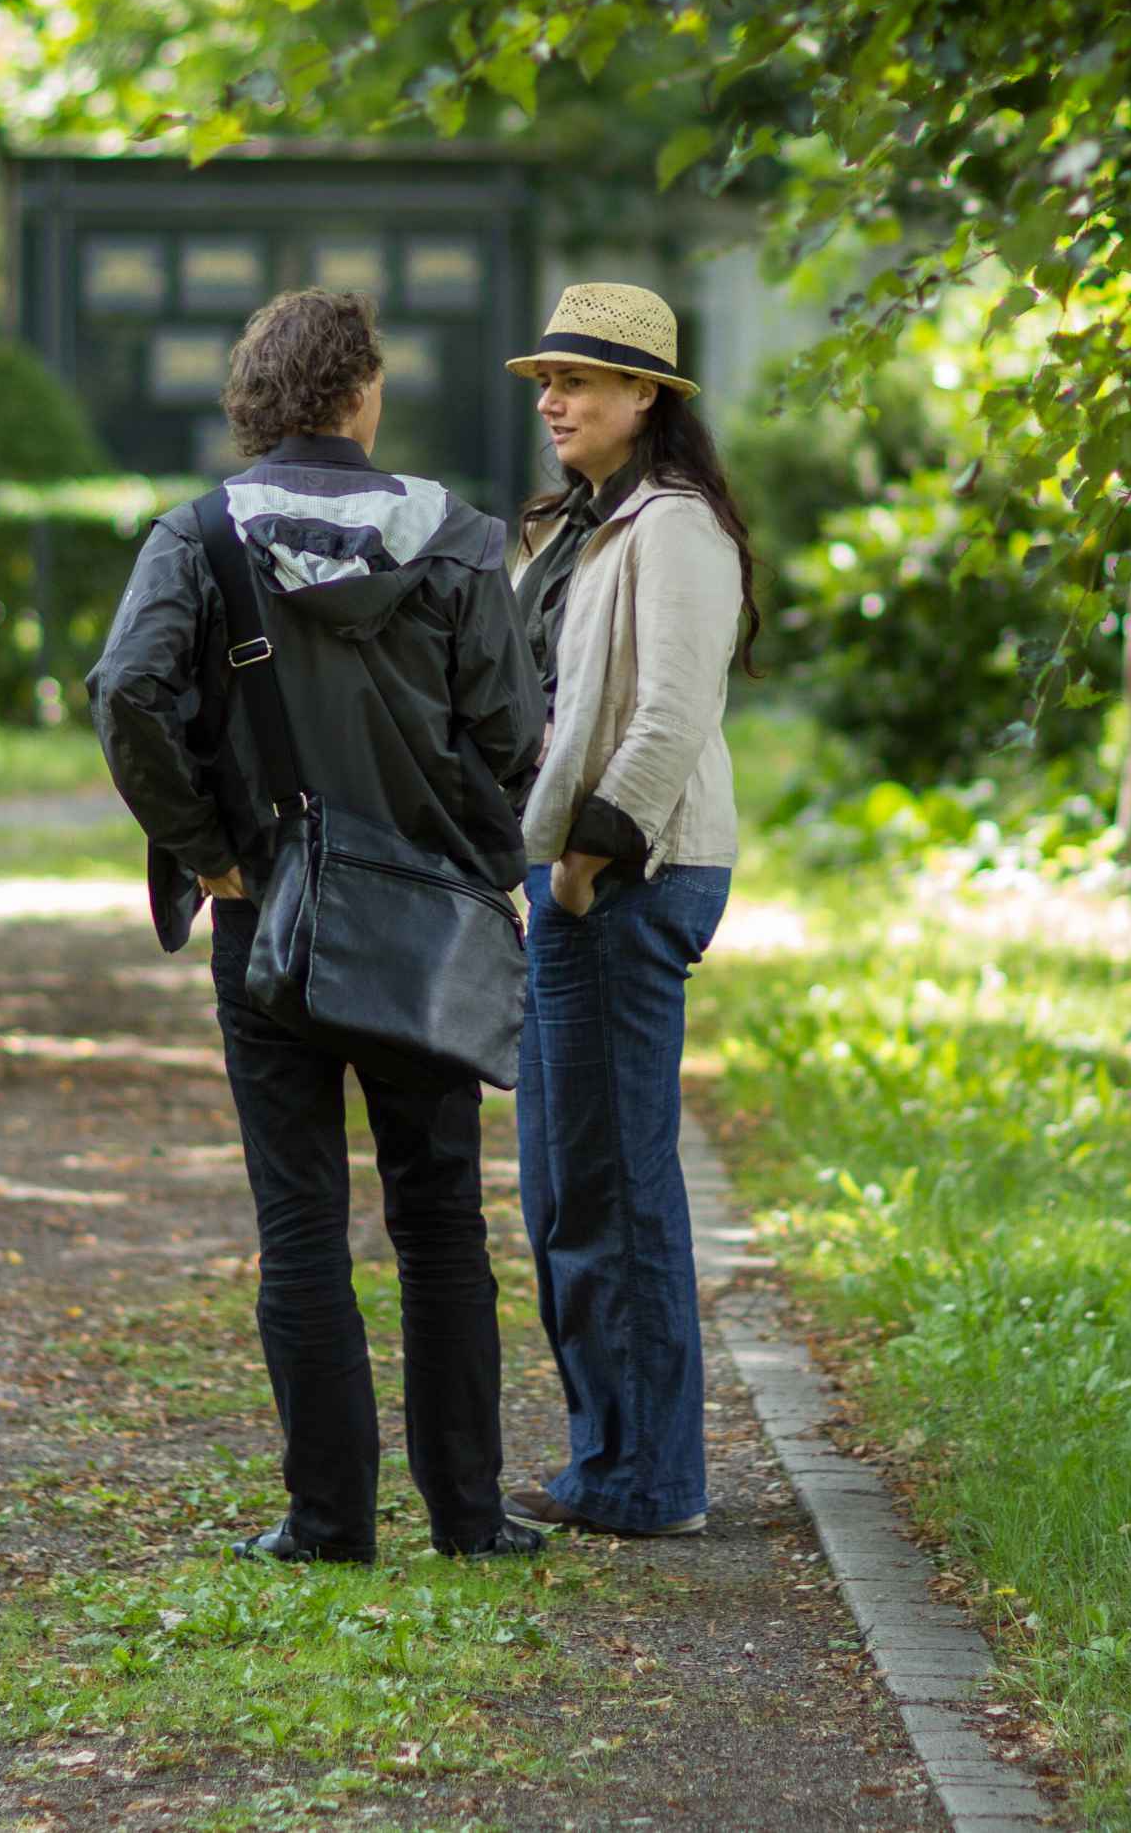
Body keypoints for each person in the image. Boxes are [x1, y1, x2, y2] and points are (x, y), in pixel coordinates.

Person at [87, 286, 546, 1565]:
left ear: (254, 400)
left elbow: (127, 687)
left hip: (271, 922)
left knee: (300, 1226)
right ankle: (468, 1516)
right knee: (440, 1220)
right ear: (358, 394)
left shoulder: (197, 537)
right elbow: (514, 737)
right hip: (430, 928)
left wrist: (210, 851)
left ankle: (328, 1522)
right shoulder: (453, 538)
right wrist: (463, 843)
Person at [501, 281, 760, 1539]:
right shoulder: (580, 526)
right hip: (574, 880)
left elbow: (670, 712)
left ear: (644, 396)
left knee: (614, 1185)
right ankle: (606, 1459)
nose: (553, 400)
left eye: (581, 382)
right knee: (562, 1185)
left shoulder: (673, 529)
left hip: (631, 874)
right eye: (547, 380)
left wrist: (588, 857)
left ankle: (650, 1478)